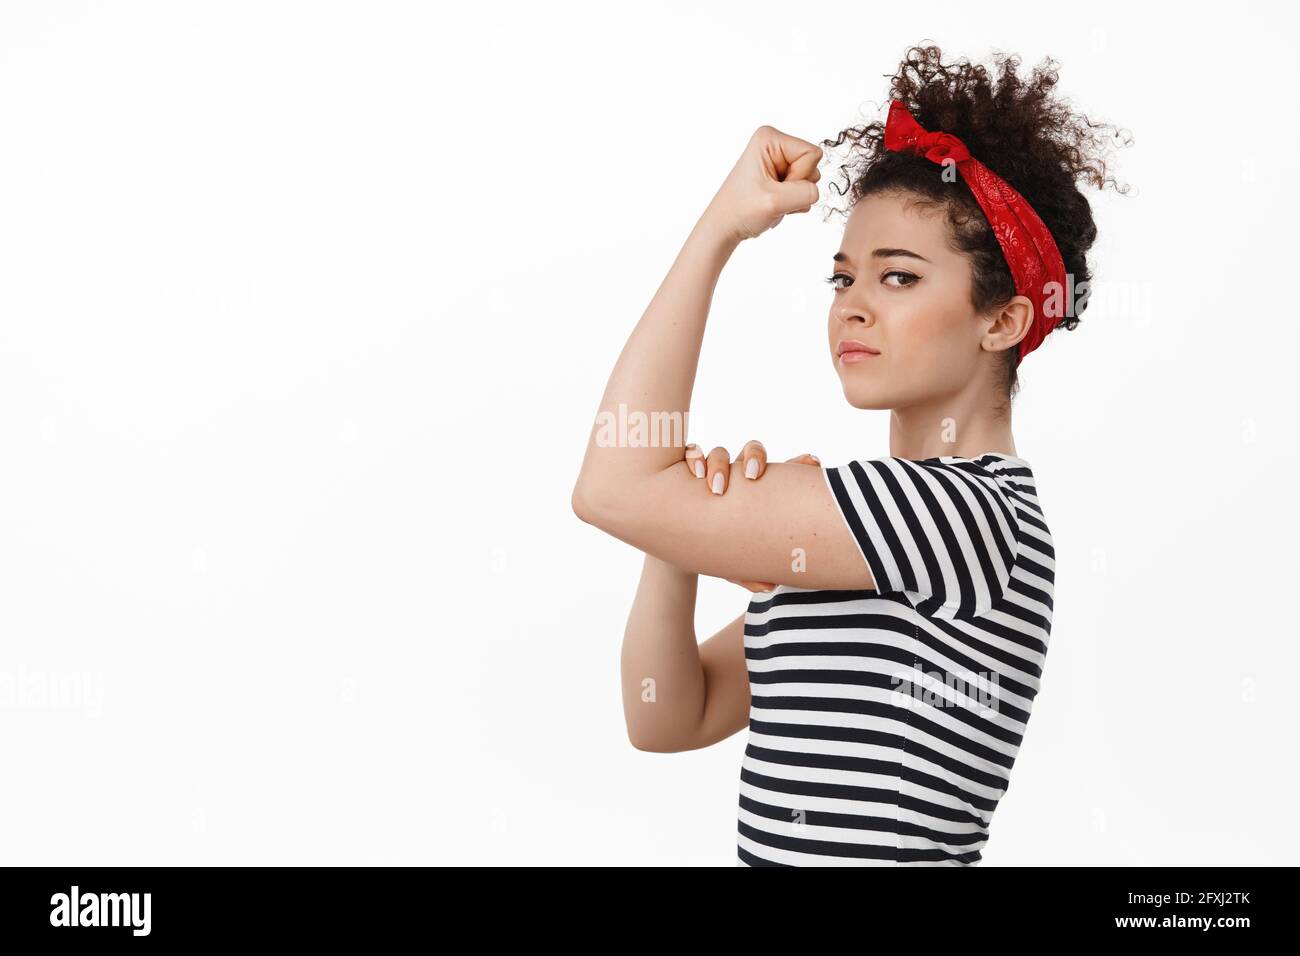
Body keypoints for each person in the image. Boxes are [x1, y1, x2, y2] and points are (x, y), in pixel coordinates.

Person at [572, 44, 1127, 865]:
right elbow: (666, 717)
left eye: (898, 278)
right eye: (843, 280)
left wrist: (721, 227)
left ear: (1003, 321)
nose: (854, 308)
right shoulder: (880, 526)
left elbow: (609, 486)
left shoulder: (959, 515)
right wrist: (683, 537)